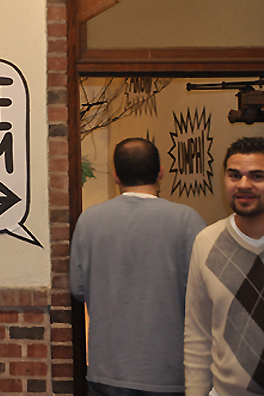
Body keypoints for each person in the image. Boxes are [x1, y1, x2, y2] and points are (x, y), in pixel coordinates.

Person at [71, 137, 206, 396]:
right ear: (160, 173)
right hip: (168, 372)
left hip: (107, 369)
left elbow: (78, 289)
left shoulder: (89, 221)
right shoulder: (187, 221)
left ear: (116, 176)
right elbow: (203, 296)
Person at [185, 136, 264, 396]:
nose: (243, 184)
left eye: (257, 176)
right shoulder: (206, 242)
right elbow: (197, 334)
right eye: (234, 175)